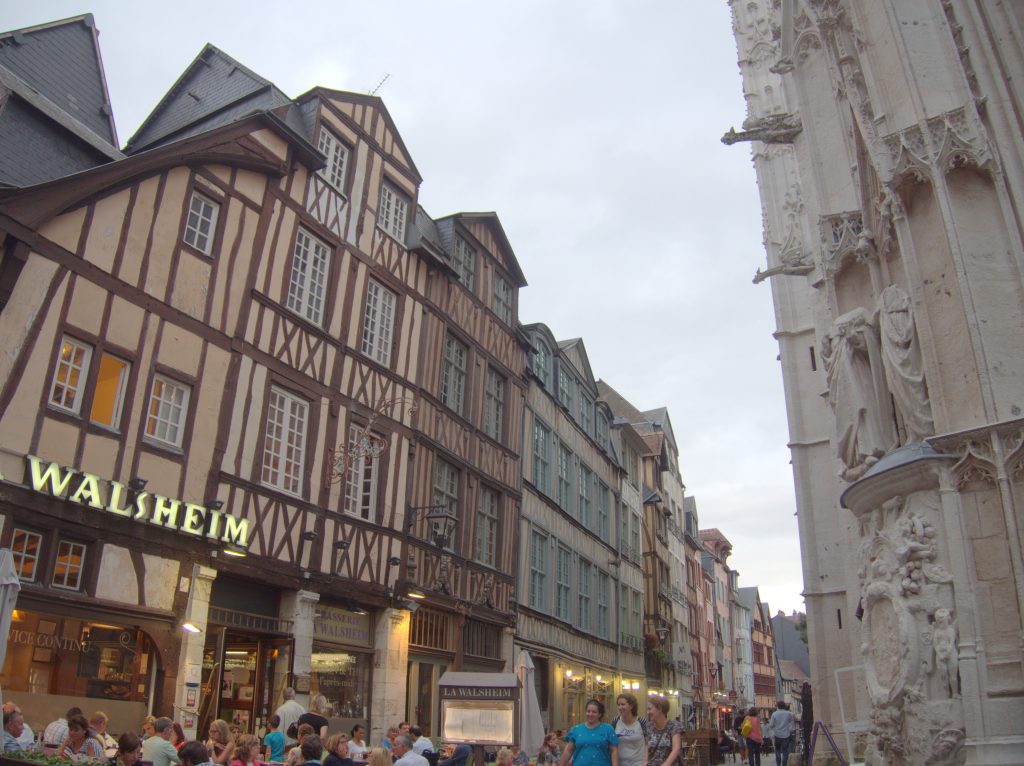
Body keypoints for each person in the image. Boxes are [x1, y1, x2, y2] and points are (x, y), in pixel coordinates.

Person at [558, 699, 618, 766]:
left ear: (600, 714)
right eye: (588, 711)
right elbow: (569, 751)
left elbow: (614, 750)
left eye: (594, 712)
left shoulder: (608, 729)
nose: (590, 714)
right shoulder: (576, 729)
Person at [645, 698, 681, 766]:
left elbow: (676, 748)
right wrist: (645, 761)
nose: (648, 712)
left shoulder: (674, 725)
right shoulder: (648, 727)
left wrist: (666, 764)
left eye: (650, 709)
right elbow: (646, 746)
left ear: (660, 709)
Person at [613, 694, 647, 766]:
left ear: (631, 706)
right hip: (620, 762)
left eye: (623, 704)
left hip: (638, 763)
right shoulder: (615, 721)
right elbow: (612, 743)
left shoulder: (642, 722)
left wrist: (645, 762)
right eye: (618, 705)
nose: (620, 707)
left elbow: (647, 743)